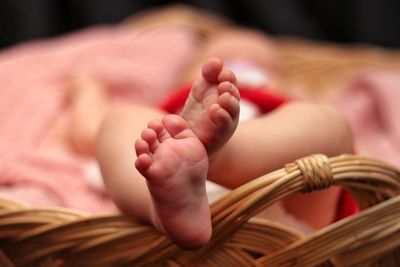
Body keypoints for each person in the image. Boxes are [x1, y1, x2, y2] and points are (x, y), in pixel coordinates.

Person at [93, 56, 353, 249]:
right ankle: (159, 207)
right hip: (177, 194)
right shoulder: (162, 118)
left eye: (255, 61)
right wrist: (86, 91)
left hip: (290, 207)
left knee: (327, 123)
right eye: (223, 55)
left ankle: (217, 154)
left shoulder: (282, 103)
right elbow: (88, 132)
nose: (236, 66)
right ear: (184, 80)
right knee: (119, 121)